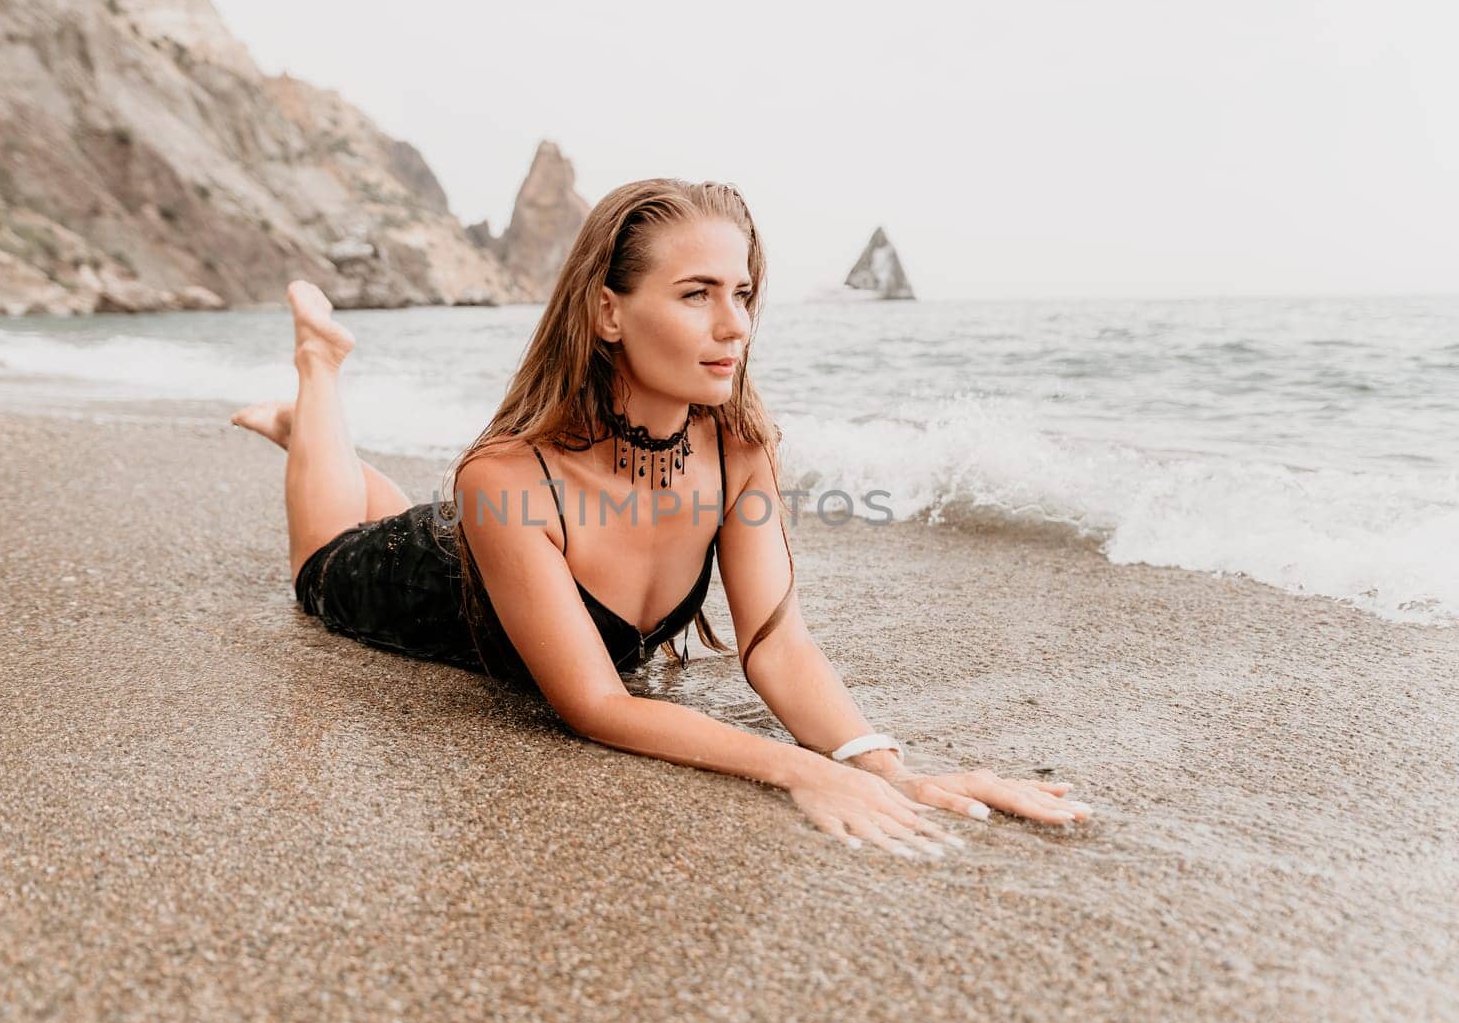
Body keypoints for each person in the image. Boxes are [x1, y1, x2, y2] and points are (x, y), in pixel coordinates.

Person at [233, 178, 1090, 858]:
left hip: (487, 541)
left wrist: (885, 766)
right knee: (320, 558)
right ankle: (318, 376)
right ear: (608, 311)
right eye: (696, 295)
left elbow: (776, 645)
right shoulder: (504, 474)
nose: (736, 326)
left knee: (412, 509)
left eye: (743, 293)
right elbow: (596, 702)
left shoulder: (740, 447)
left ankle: (326, 444)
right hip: (417, 573)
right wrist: (793, 770)